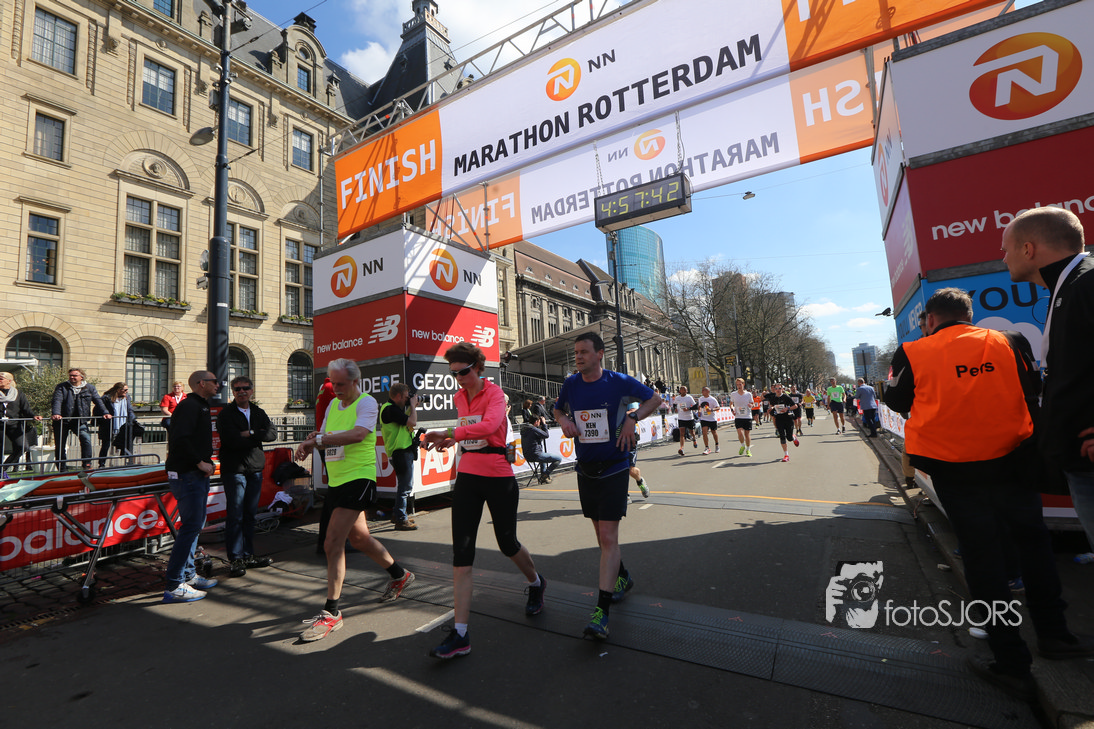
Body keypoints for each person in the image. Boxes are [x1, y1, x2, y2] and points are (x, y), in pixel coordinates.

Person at [883, 287, 1094, 698]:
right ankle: (1055, 634)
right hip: (1014, 460)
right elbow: (1033, 385)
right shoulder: (1009, 341)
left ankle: (1011, 661)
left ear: (930, 320)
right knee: (1034, 545)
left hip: (954, 469)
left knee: (982, 558)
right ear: (970, 315)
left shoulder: (913, 351)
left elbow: (896, 399)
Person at [422, 342, 545, 659]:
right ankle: (461, 634)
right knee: (461, 554)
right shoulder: (458, 397)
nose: (459, 379)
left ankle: (535, 582)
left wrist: (450, 432)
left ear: (477, 367)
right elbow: (468, 432)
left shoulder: (495, 394)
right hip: (468, 476)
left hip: (499, 476)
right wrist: (449, 439)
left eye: (463, 372)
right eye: (453, 374)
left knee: (507, 543)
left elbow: (489, 426)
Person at [294, 358, 415, 642]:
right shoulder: (333, 405)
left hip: (359, 480)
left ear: (355, 381)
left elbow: (359, 434)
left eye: (341, 384)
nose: (335, 389)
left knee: (332, 543)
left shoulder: (367, 403)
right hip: (337, 481)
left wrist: (317, 441)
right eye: (333, 383)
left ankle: (331, 612)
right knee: (359, 539)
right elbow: (325, 434)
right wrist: (311, 439)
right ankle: (400, 575)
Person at [552, 332, 661, 640]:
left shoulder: (618, 382)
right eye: (576, 352)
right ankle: (622, 576)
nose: (578, 357)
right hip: (586, 469)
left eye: (584, 352)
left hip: (615, 466)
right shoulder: (571, 384)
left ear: (600, 354)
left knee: (609, 537)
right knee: (602, 537)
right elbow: (558, 409)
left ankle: (601, 615)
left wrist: (632, 418)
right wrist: (563, 421)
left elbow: (655, 399)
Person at [1000, 207, 1094, 555]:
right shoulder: (1069, 286)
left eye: (1006, 249)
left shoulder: (1087, 282)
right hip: (1078, 462)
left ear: (1028, 249)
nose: (1003, 258)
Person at [162, 371, 220, 603]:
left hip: (194, 474)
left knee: (195, 526)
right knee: (191, 527)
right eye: (214, 382)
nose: (218, 385)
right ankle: (174, 584)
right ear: (201, 383)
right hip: (187, 474)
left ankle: (187, 575)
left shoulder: (200, 405)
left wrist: (205, 462)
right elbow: (180, 438)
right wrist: (199, 462)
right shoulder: (189, 406)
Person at [217, 375, 277, 578]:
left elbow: (272, 434)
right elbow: (231, 440)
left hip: (255, 469)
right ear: (233, 392)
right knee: (235, 514)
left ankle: (248, 555)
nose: (241, 392)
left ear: (251, 390)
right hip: (234, 470)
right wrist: (257, 434)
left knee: (250, 514)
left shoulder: (258, 412)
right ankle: (236, 559)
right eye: (237, 389)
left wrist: (249, 433)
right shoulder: (226, 414)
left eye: (245, 388)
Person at [379, 383, 419, 530]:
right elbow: (412, 422)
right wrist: (413, 406)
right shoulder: (390, 410)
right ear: (398, 396)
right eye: (406, 397)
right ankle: (401, 519)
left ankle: (397, 514)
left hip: (400, 452)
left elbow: (405, 423)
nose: (408, 399)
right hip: (400, 452)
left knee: (404, 485)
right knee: (405, 487)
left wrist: (411, 407)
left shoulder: (392, 409)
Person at [51, 368, 109, 470]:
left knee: (86, 440)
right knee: (60, 445)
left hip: (80, 421)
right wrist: (56, 413)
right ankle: (62, 468)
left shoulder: (89, 388)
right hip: (62, 421)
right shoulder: (62, 387)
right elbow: (57, 400)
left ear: (81, 377)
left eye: (75, 375)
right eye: (70, 375)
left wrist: (105, 412)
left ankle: (87, 464)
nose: (72, 377)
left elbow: (98, 401)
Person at [0, 372, 40, 468]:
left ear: (9, 381)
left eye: (1, 378)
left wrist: (34, 416)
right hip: (0, 424)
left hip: (14, 424)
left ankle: (3, 468)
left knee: (22, 447)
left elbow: (25, 408)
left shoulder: (18, 393)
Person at [97, 382, 138, 468]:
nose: (127, 391)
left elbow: (129, 409)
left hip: (123, 424)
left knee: (126, 442)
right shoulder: (107, 398)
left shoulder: (127, 397)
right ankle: (101, 463)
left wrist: (132, 419)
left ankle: (128, 461)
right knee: (106, 445)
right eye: (125, 390)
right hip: (109, 425)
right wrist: (105, 415)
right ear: (118, 390)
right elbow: (99, 408)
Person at [521, 413, 561, 484]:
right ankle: (545, 474)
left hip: (527, 455)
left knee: (543, 457)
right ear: (536, 422)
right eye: (539, 422)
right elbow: (546, 435)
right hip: (536, 455)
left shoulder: (526, 429)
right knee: (558, 459)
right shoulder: (533, 429)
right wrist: (544, 424)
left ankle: (544, 477)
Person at [765, 383, 800, 462]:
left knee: (789, 438)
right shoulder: (773, 398)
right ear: (774, 390)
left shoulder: (786, 397)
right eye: (776, 388)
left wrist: (787, 408)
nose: (778, 390)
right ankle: (786, 455)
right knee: (782, 436)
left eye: (779, 388)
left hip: (788, 418)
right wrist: (771, 409)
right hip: (779, 418)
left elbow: (795, 406)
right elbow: (772, 405)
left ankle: (793, 437)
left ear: (782, 389)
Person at [624, 402, 650, 498]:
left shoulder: (628, 398)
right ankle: (624, 495)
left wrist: (614, 415)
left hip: (629, 438)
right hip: (613, 439)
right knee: (617, 468)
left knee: (630, 470)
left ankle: (640, 481)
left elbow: (634, 411)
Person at [728, 378, 754, 457]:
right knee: (739, 432)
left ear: (743, 384)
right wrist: (732, 409)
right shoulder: (733, 394)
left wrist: (751, 405)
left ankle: (748, 449)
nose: (739, 386)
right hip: (738, 416)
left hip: (747, 416)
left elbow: (752, 403)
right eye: (737, 385)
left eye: (740, 384)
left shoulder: (748, 394)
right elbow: (731, 403)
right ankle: (743, 445)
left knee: (747, 434)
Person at [673, 385, 698, 456]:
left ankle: (694, 439)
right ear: (680, 391)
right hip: (681, 418)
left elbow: (695, 406)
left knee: (692, 432)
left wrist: (688, 409)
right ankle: (682, 448)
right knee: (682, 433)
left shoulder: (689, 397)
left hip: (689, 417)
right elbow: (674, 404)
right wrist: (675, 409)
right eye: (683, 389)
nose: (684, 391)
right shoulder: (677, 398)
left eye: (685, 390)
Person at [697, 386, 720, 455]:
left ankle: (717, 445)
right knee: (704, 432)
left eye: (703, 390)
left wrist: (711, 409)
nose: (702, 392)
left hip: (712, 418)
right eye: (702, 390)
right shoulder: (700, 398)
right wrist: (699, 411)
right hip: (704, 418)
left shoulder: (712, 399)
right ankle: (707, 448)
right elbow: (699, 406)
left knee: (714, 432)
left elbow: (718, 407)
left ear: (708, 391)